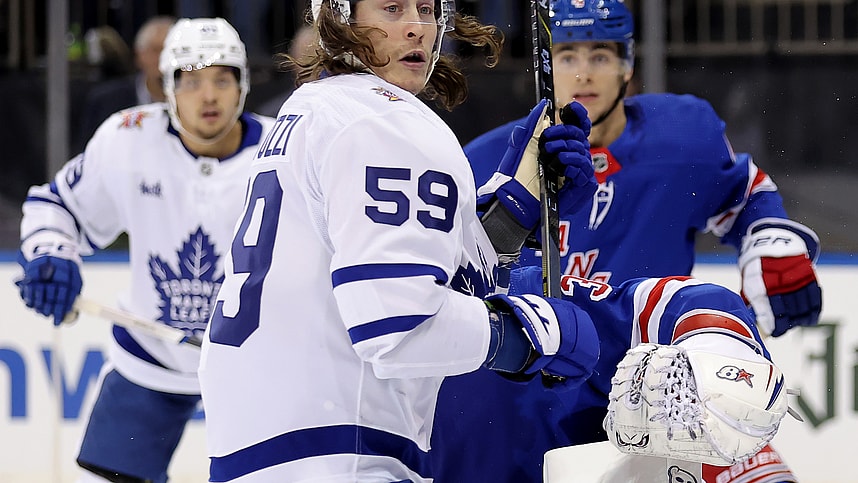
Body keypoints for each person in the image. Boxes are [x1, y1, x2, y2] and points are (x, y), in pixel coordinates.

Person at [197, 0, 609, 481]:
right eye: (392, 8)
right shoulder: (383, 122)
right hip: (341, 456)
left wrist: (516, 203)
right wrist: (535, 335)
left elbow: (410, 271)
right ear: (338, 17)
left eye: (427, 8)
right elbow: (398, 327)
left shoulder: (314, 109)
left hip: (269, 451)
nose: (417, 27)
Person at [443, 0, 822, 481]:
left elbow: (743, 194)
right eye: (567, 56)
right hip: (524, 399)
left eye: (600, 56)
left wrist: (768, 237)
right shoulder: (486, 161)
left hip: (664, 395)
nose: (584, 74)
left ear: (627, 66)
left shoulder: (680, 138)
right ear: (544, 65)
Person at [15, 17, 275, 483]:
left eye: (222, 78)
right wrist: (51, 253)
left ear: (243, 84)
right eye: (191, 81)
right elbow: (57, 206)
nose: (209, 96)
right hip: (150, 357)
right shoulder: (129, 139)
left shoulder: (285, 153)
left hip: (257, 365)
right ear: (167, 88)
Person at [78, 15, 175, 150]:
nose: (164, 58)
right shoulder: (106, 102)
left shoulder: (195, 101)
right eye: (156, 50)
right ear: (139, 55)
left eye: (171, 51)